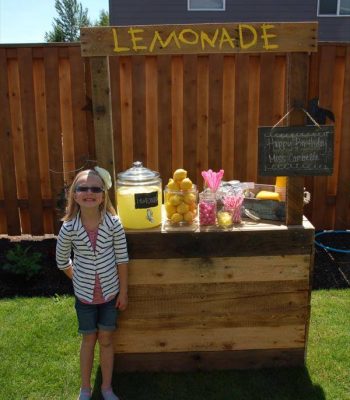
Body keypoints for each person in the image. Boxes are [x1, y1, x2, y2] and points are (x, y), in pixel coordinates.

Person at [56, 167, 129, 400]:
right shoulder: (69, 228)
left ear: (103, 195)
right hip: (85, 298)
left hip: (110, 296)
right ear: (75, 195)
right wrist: (76, 277)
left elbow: (122, 258)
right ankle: (85, 388)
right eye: (83, 188)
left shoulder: (113, 223)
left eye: (95, 188)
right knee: (88, 340)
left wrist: (123, 292)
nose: (89, 192)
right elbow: (61, 260)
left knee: (106, 339)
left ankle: (107, 387)